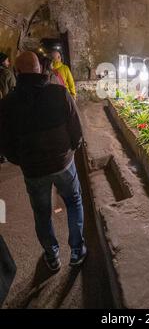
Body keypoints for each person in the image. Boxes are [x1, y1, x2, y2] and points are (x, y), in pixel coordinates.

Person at [0, 51, 87, 271]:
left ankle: (52, 255)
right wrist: (71, 150)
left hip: (33, 170)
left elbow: (5, 142)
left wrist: (21, 161)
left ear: (17, 72)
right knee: (74, 202)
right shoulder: (59, 93)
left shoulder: (8, 104)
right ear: (40, 68)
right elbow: (76, 129)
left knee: (42, 212)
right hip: (63, 163)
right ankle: (77, 251)